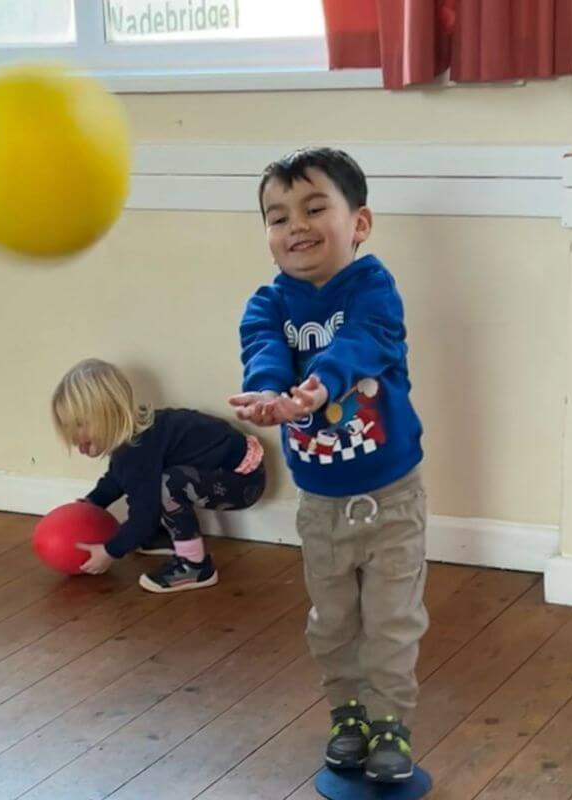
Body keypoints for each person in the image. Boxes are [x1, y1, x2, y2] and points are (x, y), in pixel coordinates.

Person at [230, 147, 427, 783]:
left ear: (358, 223)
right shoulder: (267, 304)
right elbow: (262, 351)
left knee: (392, 620)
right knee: (333, 620)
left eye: (316, 208)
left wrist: (320, 386)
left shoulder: (374, 287)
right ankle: (348, 715)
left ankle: (390, 720)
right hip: (319, 504)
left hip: (391, 496)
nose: (297, 227)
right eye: (278, 216)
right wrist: (266, 392)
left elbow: (362, 341)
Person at [51, 358, 265, 593]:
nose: (74, 435)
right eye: (69, 426)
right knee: (157, 484)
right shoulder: (135, 437)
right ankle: (162, 539)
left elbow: (145, 514)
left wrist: (110, 551)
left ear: (110, 413)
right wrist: (93, 504)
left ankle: (195, 565)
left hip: (242, 481)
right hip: (228, 472)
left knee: (167, 486)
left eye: (80, 424)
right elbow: (117, 477)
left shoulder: (138, 451)